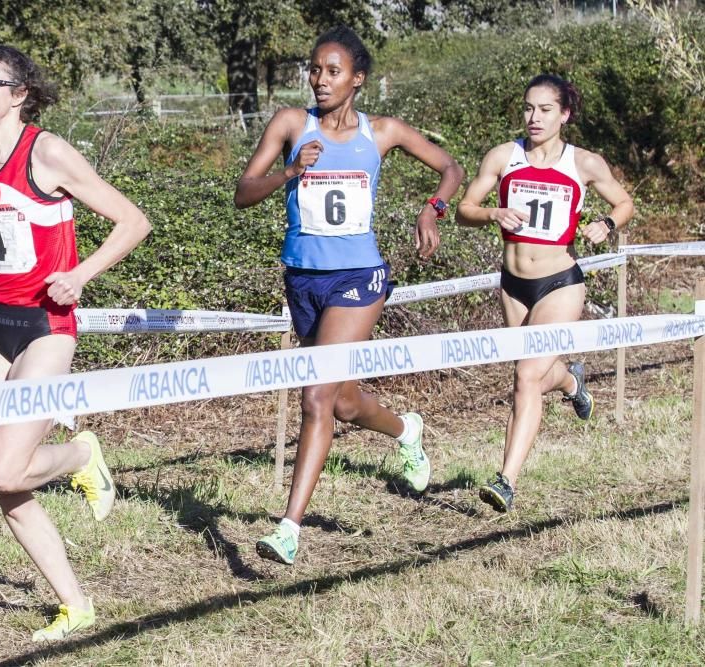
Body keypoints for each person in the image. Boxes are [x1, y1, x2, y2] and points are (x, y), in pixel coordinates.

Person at [0, 44, 150, 640]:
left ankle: (79, 455)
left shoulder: (46, 153)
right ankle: (75, 604)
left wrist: (81, 275)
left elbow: (133, 221)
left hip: (47, 325)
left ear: (18, 93)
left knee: (1, 467)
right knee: (4, 479)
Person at [234, 26, 464, 565]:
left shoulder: (381, 132)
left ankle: (288, 528)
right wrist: (290, 172)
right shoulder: (292, 124)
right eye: (314, 70)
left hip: (359, 278)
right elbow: (243, 193)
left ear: (357, 79)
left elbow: (451, 167)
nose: (319, 80)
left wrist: (433, 208)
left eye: (332, 71)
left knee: (315, 399)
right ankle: (407, 429)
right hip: (303, 279)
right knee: (340, 399)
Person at [456, 73, 634, 513]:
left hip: (560, 281)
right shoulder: (503, 156)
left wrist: (606, 224)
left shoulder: (584, 163)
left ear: (564, 115)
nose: (534, 118)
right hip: (513, 284)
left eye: (545, 109)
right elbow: (463, 210)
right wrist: (492, 212)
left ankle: (506, 480)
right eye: (529, 108)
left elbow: (625, 203)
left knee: (525, 377)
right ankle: (572, 380)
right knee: (533, 373)